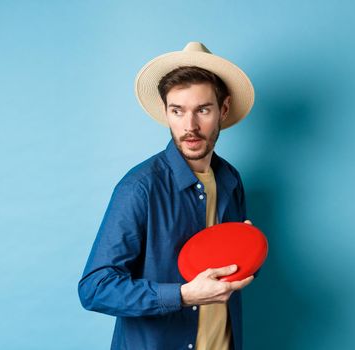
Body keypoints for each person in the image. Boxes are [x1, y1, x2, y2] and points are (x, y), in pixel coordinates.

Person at [78, 42, 256, 350]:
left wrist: (247, 251)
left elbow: (227, 271)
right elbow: (95, 289)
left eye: (202, 110)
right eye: (178, 111)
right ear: (166, 112)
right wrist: (184, 295)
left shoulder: (230, 179)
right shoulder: (139, 187)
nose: (190, 126)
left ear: (223, 109)